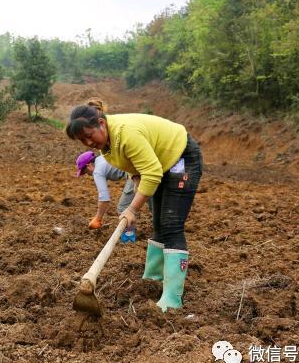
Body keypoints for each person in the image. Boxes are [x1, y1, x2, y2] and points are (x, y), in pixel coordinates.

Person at [66, 99, 203, 312]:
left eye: (89, 136)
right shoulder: (107, 148)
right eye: (83, 141)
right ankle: (153, 278)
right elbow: (137, 169)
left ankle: (172, 297)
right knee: (158, 222)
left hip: (180, 158)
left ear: (101, 123)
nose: (88, 143)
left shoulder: (126, 134)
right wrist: (137, 188)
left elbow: (152, 172)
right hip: (160, 164)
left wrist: (131, 208)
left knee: (171, 224)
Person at [75, 150, 152, 242]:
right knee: (151, 199)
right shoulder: (102, 158)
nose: (88, 175)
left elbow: (104, 199)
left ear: (89, 165)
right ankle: (163, 227)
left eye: (85, 172)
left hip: (134, 173)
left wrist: (98, 218)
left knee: (123, 207)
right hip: (143, 167)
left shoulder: (97, 171)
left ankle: (128, 238)